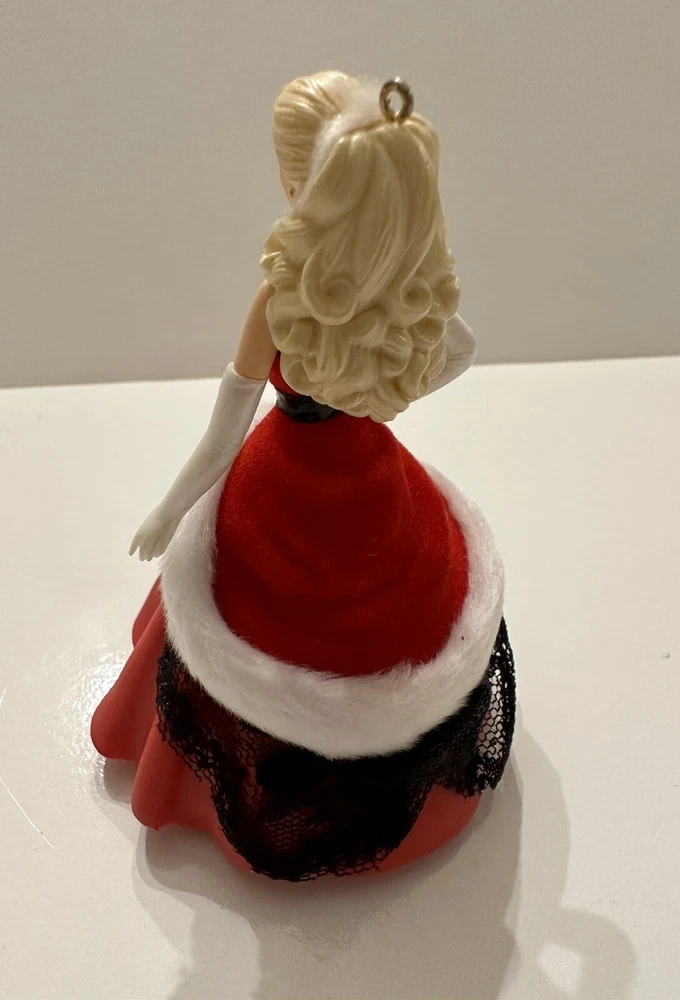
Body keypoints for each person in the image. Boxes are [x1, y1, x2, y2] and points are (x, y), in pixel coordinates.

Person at [91, 72, 515, 881]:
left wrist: (171, 510)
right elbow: (459, 353)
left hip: (280, 487)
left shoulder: (281, 299)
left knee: (237, 607)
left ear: (304, 190)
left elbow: (226, 428)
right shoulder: (407, 282)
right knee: (396, 612)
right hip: (368, 475)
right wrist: (382, 397)